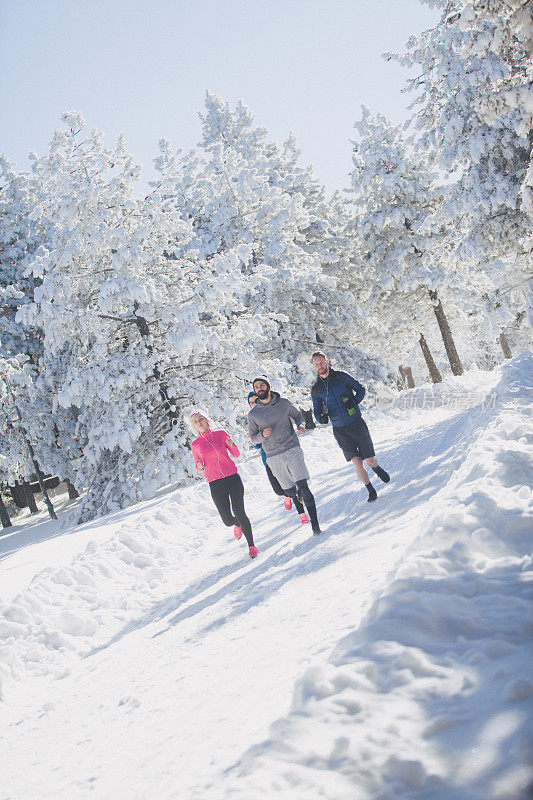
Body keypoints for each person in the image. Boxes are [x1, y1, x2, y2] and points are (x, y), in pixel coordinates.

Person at [310, 351, 390, 503]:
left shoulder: (342, 377)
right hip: (340, 430)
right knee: (356, 462)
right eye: (316, 364)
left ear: (327, 361)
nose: (320, 366)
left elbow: (361, 390)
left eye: (322, 362)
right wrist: (321, 418)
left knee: (369, 460)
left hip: (356, 423)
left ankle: (376, 468)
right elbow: (317, 410)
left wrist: (354, 401)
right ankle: (370, 490)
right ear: (314, 367)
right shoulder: (316, 389)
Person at [248, 376, 322, 535]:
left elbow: (298, 416)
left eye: (262, 385)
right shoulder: (253, 414)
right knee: (289, 491)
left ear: (268, 386)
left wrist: (300, 424)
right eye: (256, 387)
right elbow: (253, 438)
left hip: (292, 448)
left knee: (304, 487)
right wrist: (262, 435)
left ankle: (315, 526)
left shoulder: (284, 403)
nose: (259, 388)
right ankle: (296, 495)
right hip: (273, 456)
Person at [189, 410, 258, 558]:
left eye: (200, 418)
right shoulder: (195, 444)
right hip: (215, 483)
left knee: (240, 512)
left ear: (206, 419)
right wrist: (199, 467)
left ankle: (251, 546)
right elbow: (197, 466)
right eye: (195, 421)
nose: (199, 422)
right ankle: (236, 524)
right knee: (227, 520)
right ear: (193, 426)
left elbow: (236, 454)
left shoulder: (221, 434)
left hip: (232, 478)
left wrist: (231, 445)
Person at [247, 391, 310, 525]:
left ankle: (302, 513)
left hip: (285, 453)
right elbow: (255, 443)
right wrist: (262, 435)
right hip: (269, 460)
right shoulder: (254, 418)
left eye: (255, 400)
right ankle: (287, 495)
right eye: (250, 402)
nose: (253, 404)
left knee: (294, 483)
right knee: (278, 490)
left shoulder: (268, 412)